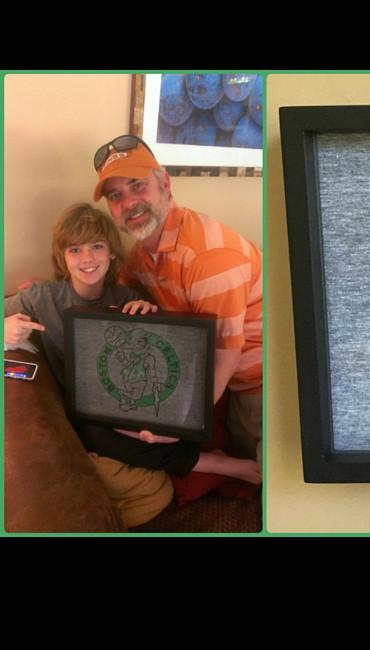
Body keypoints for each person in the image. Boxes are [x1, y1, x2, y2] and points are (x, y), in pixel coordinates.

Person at [4, 203, 261, 527]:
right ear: (62, 257)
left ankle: (198, 456)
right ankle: (210, 463)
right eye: (75, 249)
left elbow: (167, 353)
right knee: (96, 435)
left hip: (133, 406)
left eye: (97, 247)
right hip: (89, 416)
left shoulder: (128, 297)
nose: (87, 259)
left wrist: (148, 312)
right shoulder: (39, 297)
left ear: (112, 253)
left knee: (149, 427)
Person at [92, 134, 262, 467]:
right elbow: (112, 298)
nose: (129, 203)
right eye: (116, 195)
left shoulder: (210, 257)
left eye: (138, 186)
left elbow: (225, 356)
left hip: (262, 384)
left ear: (165, 184)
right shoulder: (141, 254)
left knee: (277, 490)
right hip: (221, 382)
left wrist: (178, 424)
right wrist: (45, 290)